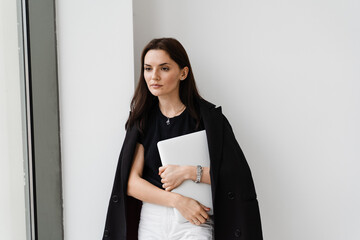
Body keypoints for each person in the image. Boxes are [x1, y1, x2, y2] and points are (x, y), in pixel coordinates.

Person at [103, 38, 263, 240]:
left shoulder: (208, 119)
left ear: (183, 73)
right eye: (148, 68)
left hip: (196, 218)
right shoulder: (142, 121)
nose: (154, 76)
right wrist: (177, 201)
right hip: (153, 218)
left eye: (164, 68)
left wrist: (188, 172)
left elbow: (236, 177)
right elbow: (131, 183)